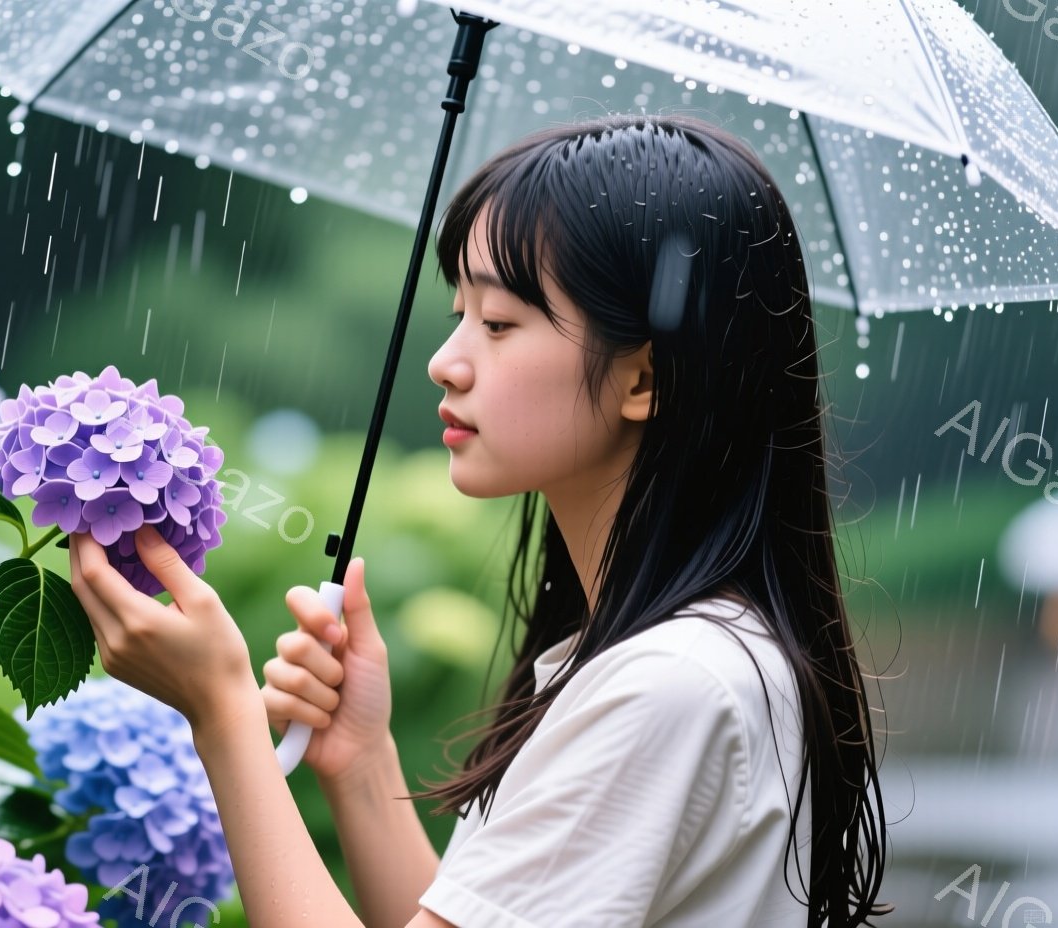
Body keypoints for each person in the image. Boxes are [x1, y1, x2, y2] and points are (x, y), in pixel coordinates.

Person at [67, 113, 892, 927]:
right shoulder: (675, 658)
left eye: (498, 323)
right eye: (459, 312)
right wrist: (359, 763)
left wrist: (222, 714)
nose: (445, 361)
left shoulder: (671, 686)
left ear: (646, 379)